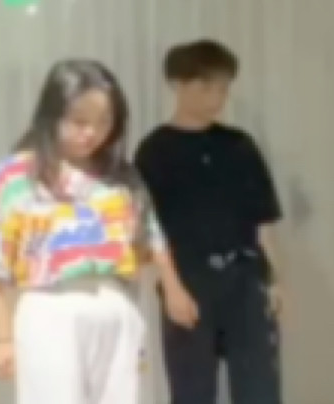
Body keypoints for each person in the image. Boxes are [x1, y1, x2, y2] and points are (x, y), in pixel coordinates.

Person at [0, 59, 198, 404]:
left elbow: (152, 236)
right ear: (52, 115)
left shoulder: (122, 177)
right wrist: (1, 337)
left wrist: (174, 288)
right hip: (50, 307)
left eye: (104, 122)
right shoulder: (15, 175)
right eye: (79, 121)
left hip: (117, 305)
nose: (91, 133)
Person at [134, 40, 284, 404]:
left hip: (245, 277)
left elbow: (262, 220)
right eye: (205, 87)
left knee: (260, 388)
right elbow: (149, 230)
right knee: (192, 389)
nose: (215, 98)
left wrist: (274, 279)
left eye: (223, 88)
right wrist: (170, 287)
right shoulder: (154, 151)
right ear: (177, 83)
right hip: (189, 278)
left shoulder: (239, 145)